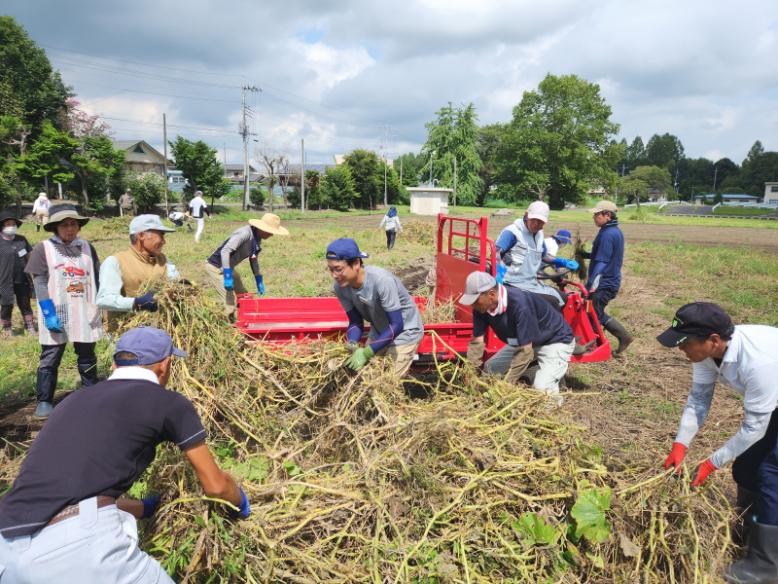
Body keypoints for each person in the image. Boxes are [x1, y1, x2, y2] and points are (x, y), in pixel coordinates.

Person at [0, 326, 250, 583]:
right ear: (165, 365)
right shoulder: (169, 403)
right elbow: (216, 486)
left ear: (114, 364)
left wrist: (143, 508)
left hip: (6, 549)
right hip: (77, 552)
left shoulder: (74, 401)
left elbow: (72, 495)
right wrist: (240, 501)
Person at [658, 302, 778, 583]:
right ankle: (751, 531)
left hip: (772, 390)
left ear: (713, 341)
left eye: (685, 343)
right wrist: (680, 445)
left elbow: (753, 429)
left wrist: (711, 464)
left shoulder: (760, 362)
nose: (680, 349)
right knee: (745, 468)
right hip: (773, 399)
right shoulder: (707, 355)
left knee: (769, 471)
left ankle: (767, 565)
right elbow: (699, 399)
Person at [24, 205, 103, 419]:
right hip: (57, 309)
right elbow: (39, 281)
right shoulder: (44, 248)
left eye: (74, 224)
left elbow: (96, 276)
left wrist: (101, 302)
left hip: (84, 307)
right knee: (51, 356)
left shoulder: (87, 247)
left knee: (87, 353)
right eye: (65, 224)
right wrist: (48, 311)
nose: (70, 228)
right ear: (56, 228)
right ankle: (44, 400)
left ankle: (89, 391)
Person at [459, 271, 575, 405]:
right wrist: (471, 372)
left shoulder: (519, 304)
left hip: (554, 340)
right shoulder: (481, 308)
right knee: (490, 369)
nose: (472, 305)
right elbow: (477, 341)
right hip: (524, 341)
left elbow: (525, 352)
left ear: (491, 295)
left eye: (475, 300)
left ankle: (554, 411)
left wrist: (507, 385)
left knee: (541, 387)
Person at [326, 238, 424, 377]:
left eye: (338, 269)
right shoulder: (340, 287)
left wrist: (367, 352)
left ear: (356, 263)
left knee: (387, 381)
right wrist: (353, 341)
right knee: (366, 376)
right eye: (330, 269)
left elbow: (397, 324)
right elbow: (355, 322)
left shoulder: (381, 281)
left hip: (405, 332)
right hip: (380, 330)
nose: (334, 275)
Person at [96, 214, 180, 331]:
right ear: (141, 235)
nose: (163, 241)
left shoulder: (164, 261)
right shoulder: (115, 261)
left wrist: (182, 287)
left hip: (158, 332)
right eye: (160, 235)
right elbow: (104, 300)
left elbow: (175, 283)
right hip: (125, 335)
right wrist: (136, 303)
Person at [494, 201, 577, 309]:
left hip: (530, 282)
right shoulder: (512, 232)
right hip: (511, 283)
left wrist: (563, 262)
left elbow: (544, 256)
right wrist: (499, 273)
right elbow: (496, 252)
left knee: (563, 298)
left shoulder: (539, 235)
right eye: (534, 220)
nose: (536, 224)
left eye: (541, 222)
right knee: (552, 303)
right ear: (526, 215)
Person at [205, 213, 289, 318]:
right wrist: (226, 276)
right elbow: (225, 251)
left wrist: (259, 279)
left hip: (228, 268)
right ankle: (227, 325)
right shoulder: (244, 233)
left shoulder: (257, 239)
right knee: (230, 303)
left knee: (244, 297)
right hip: (216, 267)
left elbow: (253, 258)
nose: (271, 235)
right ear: (262, 228)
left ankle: (245, 317)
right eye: (270, 232)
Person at [580, 201, 633, 355]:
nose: (594, 217)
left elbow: (602, 262)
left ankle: (597, 345)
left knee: (593, 313)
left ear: (607, 215)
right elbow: (603, 256)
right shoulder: (612, 231)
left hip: (604, 282)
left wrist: (590, 285)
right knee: (595, 312)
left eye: (597, 214)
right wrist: (585, 255)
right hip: (609, 280)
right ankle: (621, 338)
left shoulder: (608, 234)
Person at [0, 211, 35, 336]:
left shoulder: (22, 240)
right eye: (8, 224)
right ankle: (7, 328)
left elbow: (30, 256)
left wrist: (35, 272)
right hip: (4, 279)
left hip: (22, 277)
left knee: (25, 303)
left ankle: (30, 326)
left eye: (13, 223)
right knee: (6, 304)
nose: (11, 226)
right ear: (2, 226)